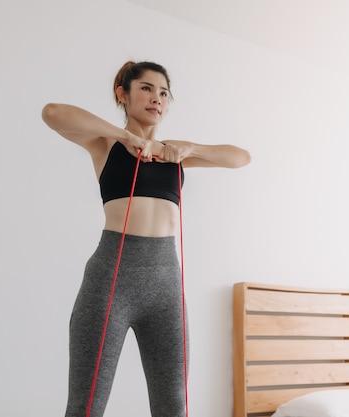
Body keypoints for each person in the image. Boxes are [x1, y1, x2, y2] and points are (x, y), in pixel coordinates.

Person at [42, 61, 251, 417]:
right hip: (111, 279)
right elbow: (53, 113)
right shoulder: (105, 144)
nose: (157, 98)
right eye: (146, 88)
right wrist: (125, 136)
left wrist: (190, 147)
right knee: (86, 405)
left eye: (164, 93)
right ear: (123, 95)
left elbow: (241, 158)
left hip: (165, 284)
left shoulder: (176, 155)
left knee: (174, 405)